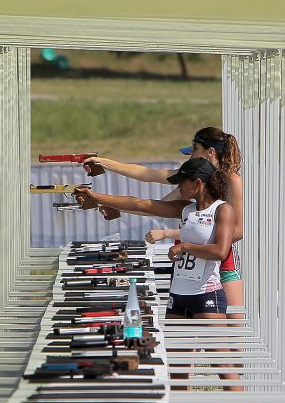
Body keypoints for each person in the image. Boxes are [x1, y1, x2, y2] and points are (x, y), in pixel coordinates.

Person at [74, 157, 239, 390]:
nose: (178, 187)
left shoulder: (223, 209)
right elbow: (141, 204)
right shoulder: (185, 209)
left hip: (206, 296)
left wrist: (184, 246)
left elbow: (221, 252)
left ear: (198, 183)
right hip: (178, 297)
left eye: (182, 181)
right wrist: (96, 197)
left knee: (223, 367)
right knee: (177, 371)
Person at [83, 127, 245, 317]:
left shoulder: (230, 181)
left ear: (210, 152)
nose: (190, 155)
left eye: (194, 149)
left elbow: (238, 231)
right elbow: (147, 181)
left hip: (222, 260)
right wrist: (103, 162)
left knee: (233, 332)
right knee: (186, 335)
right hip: (191, 260)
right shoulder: (191, 179)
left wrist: (187, 242)